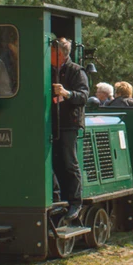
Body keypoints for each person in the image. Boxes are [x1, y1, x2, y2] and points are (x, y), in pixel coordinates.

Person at [51, 37, 90, 223]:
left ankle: (75, 202)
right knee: (51, 162)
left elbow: (83, 96)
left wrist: (66, 94)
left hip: (69, 123)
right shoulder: (48, 70)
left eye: (51, 52)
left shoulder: (76, 71)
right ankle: (56, 199)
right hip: (51, 122)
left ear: (59, 54)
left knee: (69, 162)